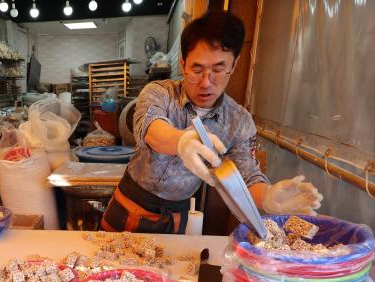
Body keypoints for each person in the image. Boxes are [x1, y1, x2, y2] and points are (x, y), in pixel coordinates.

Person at [101, 11, 322, 234]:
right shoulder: (159, 93)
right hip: (130, 202)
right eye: (197, 69)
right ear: (183, 64)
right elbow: (151, 128)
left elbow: (246, 175)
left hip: (177, 213)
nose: (206, 82)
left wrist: (267, 197)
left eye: (218, 69)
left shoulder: (239, 122)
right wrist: (182, 141)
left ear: (234, 65)